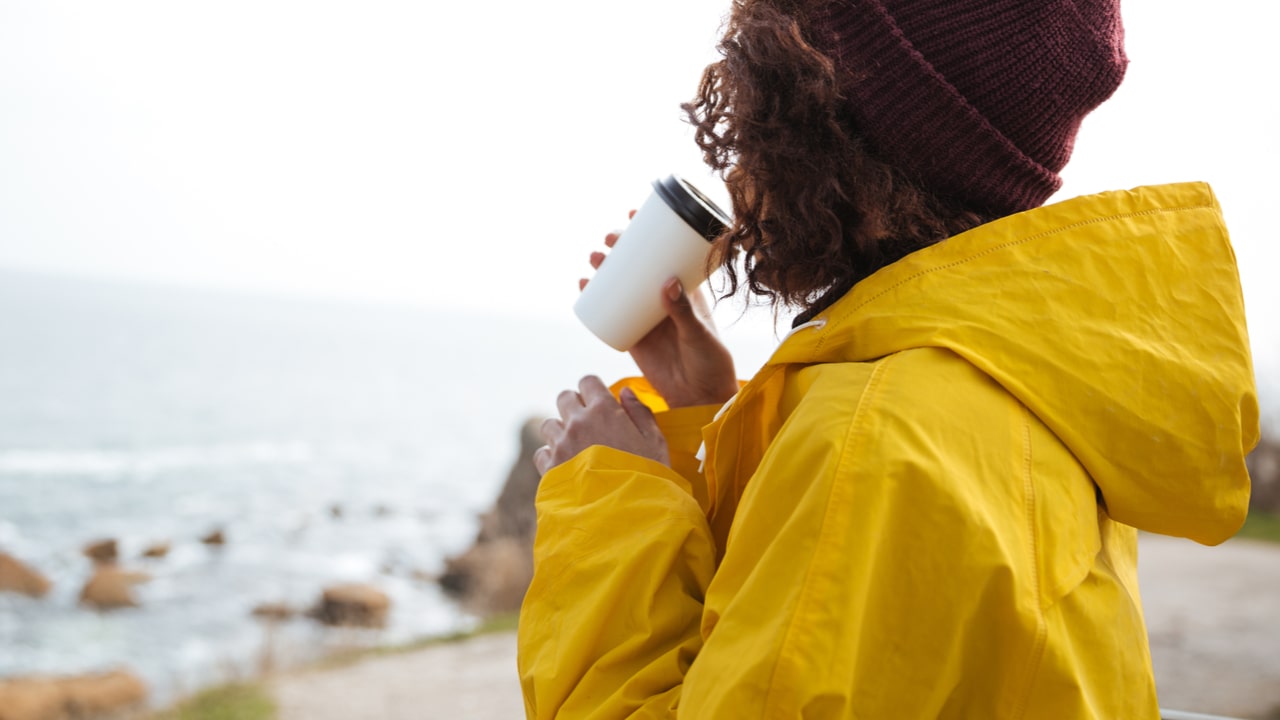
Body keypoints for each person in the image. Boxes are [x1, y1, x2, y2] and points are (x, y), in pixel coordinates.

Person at [520, 0, 1258, 717]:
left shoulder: (872, 439)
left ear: (832, 131)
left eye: (763, 93)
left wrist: (612, 502)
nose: (741, 148)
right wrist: (702, 419)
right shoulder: (1022, 381)